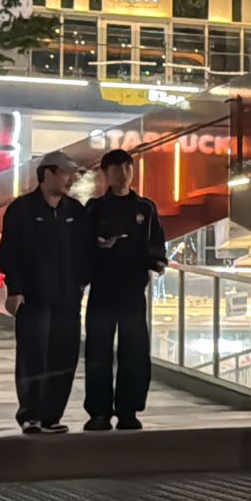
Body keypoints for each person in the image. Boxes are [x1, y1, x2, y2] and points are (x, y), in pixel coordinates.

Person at [0, 150, 92, 435]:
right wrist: (15, 289)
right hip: (34, 298)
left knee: (64, 356)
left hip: (67, 299)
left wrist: (80, 284)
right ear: (47, 173)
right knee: (32, 355)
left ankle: (52, 415)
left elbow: (85, 252)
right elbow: (9, 253)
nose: (70, 179)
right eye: (65, 173)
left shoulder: (75, 211)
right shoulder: (22, 210)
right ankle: (30, 415)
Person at [83, 149, 167, 431]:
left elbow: (157, 243)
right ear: (105, 173)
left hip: (133, 289)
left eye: (126, 167)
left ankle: (129, 410)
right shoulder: (94, 208)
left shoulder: (145, 208)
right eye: (115, 168)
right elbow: (80, 246)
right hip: (102, 288)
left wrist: (156, 261)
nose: (122, 173)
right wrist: (98, 247)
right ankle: (99, 412)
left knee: (134, 350)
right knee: (98, 350)